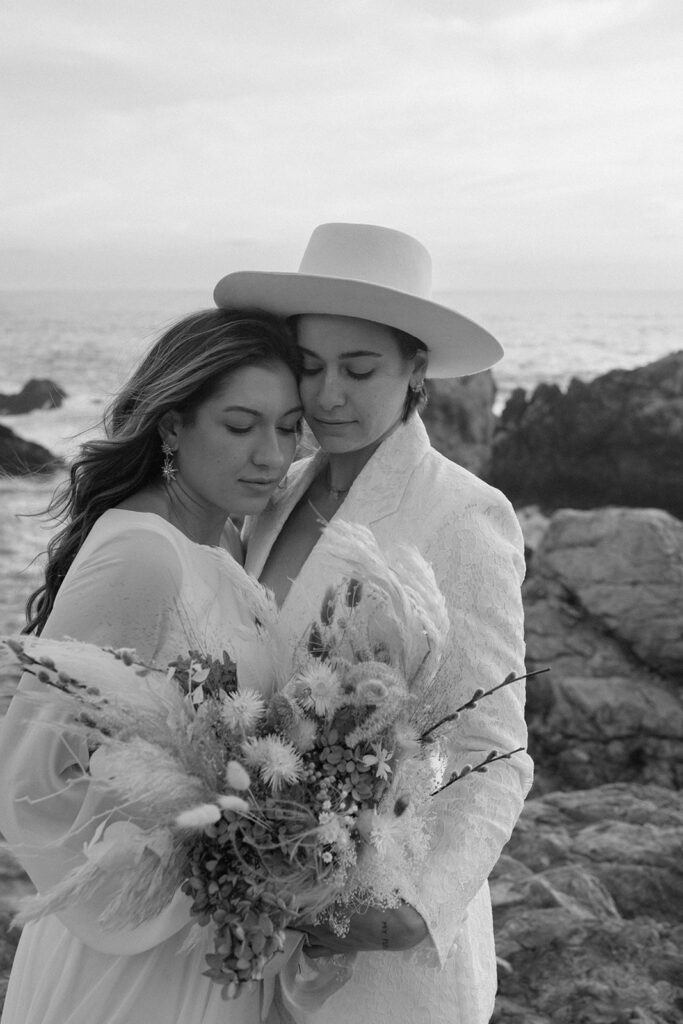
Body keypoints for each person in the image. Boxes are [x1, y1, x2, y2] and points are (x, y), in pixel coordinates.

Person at [214, 223, 533, 1024]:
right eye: (311, 368)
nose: (327, 397)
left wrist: (413, 906)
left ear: (415, 368)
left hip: (383, 950)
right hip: (254, 934)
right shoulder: (273, 490)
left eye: (359, 370)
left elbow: (492, 746)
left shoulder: (462, 514)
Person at [0, 309, 305, 1024]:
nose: (272, 455)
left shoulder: (223, 540)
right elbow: (30, 775)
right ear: (172, 427)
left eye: (288, 426)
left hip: (214, 942)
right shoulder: (143, 554)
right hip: (135, 962)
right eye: (241, 425)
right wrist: (218, 862)